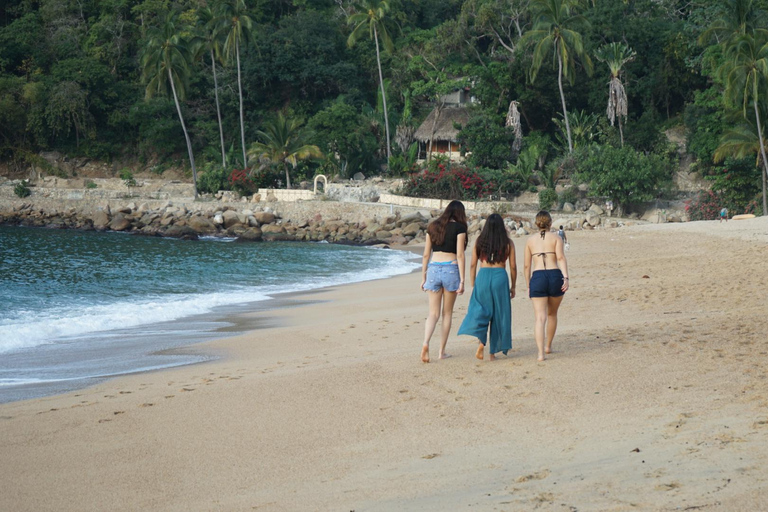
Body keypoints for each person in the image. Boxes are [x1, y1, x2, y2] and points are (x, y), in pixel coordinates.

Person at [458, 214, 517, 361]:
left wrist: (473, 283)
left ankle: (481, 343)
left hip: (483, 276)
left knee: (481, 311)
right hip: (500, 277)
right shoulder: (508, 243)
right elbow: (513, 267)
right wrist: (513, 286)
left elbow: (472, 265)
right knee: (499, 315)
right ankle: (492, 353)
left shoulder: (479, 241)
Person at [421, 200, 468, 363]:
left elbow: (426, 254)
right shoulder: (460, 228)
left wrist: (423, 277)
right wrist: (462, 280)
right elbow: (460, 255)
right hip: (450, 269)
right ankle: (441, 351)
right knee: (446, 313)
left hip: (433, 268)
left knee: (432, 313)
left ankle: (425, 343)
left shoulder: (433, 226)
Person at [524, 211, 569, 362]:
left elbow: (526, 266)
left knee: (539, 318)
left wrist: (528, 284)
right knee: (552, 314)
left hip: (538, 276)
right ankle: (548, 346)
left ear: (536, 223)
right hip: (555, 275)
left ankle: (540, 354)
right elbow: (561, 258)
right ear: (550, 223)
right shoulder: (556, 238)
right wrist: (566, 278)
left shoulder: (530, 240)